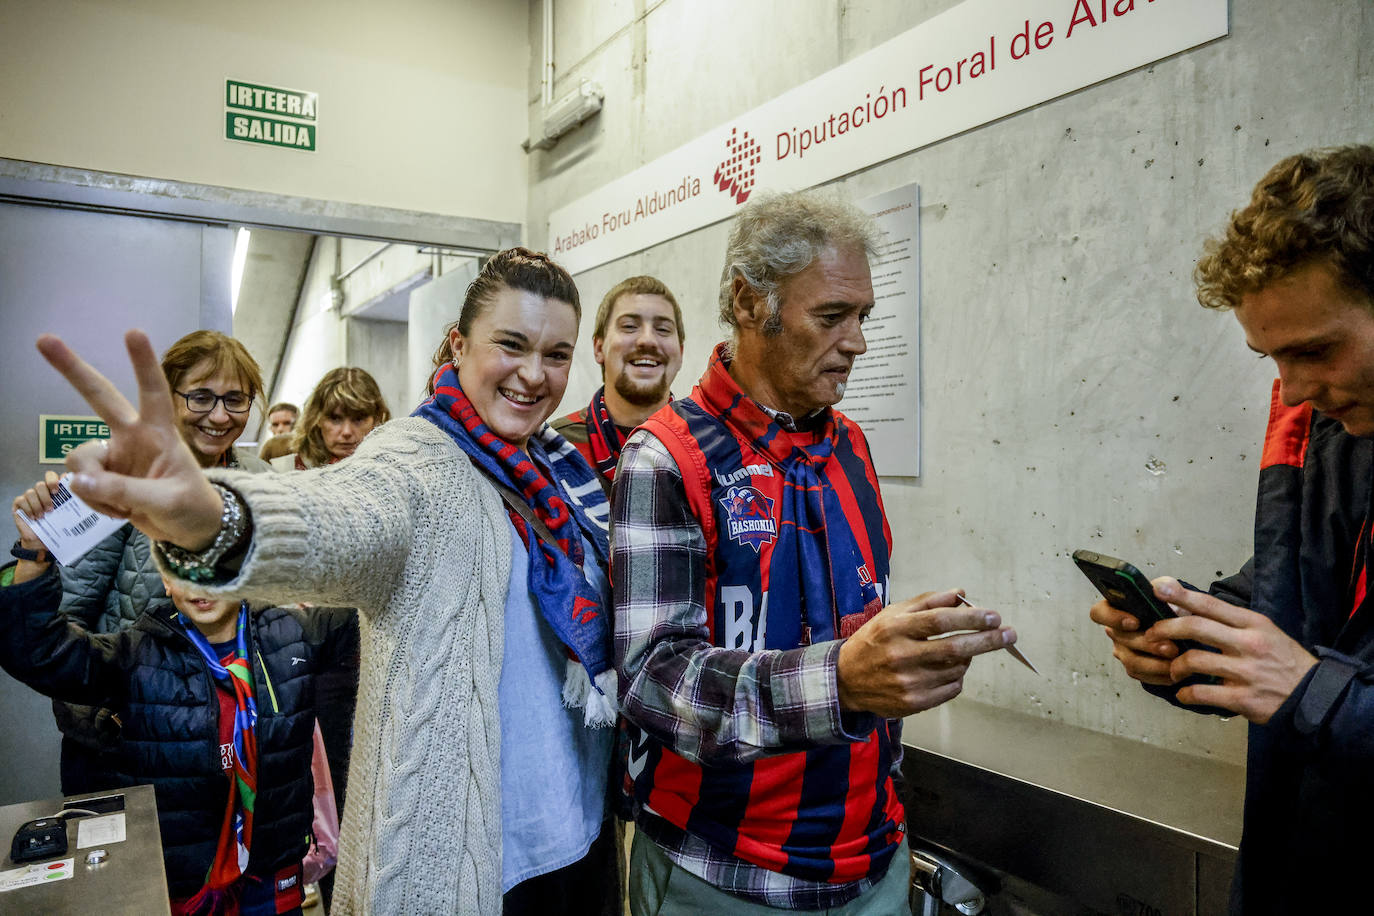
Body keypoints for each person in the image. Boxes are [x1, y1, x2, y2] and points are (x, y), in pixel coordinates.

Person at [36, 248, 619, 915]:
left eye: (556, 354)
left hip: (578, 830)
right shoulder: (417, 461)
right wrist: (212, 516)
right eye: (511, 345)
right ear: (458, 346)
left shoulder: (560, 472)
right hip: (473, 858)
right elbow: (337, 513)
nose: (533, 374)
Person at [612, 190, 1017, 913]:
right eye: (831, 316)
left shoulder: (849, 445)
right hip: (724, 880)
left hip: (872, 863)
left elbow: (844, 626)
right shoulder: (666, 458)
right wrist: (842, 682)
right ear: (748, 302)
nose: (857, 341)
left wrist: (904, 649)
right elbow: (653, 681)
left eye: (862, 317)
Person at [1091, 145, 1374, 914]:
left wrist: (1313, 694)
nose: (1295, 390)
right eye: (1272, 359)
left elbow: (1309, 677)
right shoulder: (1327, 432)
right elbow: (1290, 601)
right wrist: (1186, 641)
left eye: (1316, 350)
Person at [1, 473, 354, 916]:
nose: (199, 577)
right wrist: (35, 551)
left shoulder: (296, 636)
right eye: (179, 560)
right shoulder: (136, 656)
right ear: (164, 579)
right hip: (179, 886)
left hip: (271, 878)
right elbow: (37, 651)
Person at [55, 329, 270, 794]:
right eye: (200, 397)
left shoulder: (262, 482)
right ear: (169, 396)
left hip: (232, 739)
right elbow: (64, 621)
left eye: (236, 399)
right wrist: (105, 718)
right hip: (128, 747)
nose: (219, 415)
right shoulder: (120, 478)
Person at [552, 275, 685, 486]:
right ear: (598, 348)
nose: (648, 340)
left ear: (680, 352)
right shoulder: (553, 448)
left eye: (663, 330)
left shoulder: (709, 447)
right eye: (630, 326)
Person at [272, 368, 390, 471]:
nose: (346, 432)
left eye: (358, 419)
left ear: (376, 419)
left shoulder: (393, 471)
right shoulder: (285, 471)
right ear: (317, 418)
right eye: (335, 419)